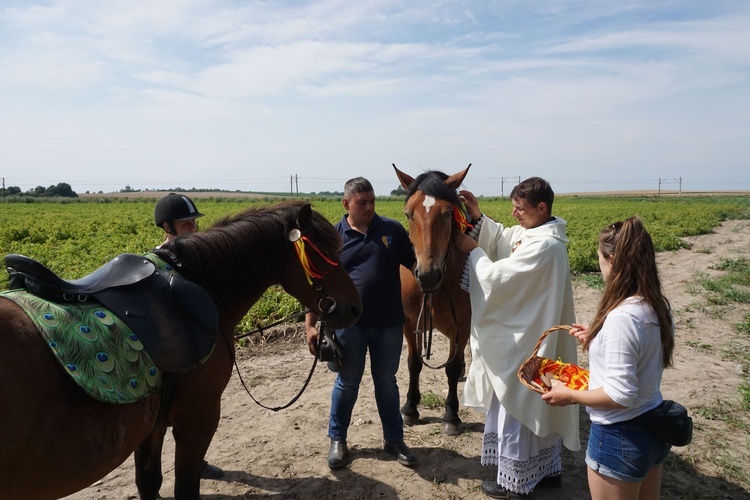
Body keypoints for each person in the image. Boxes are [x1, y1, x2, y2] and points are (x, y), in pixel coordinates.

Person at [452, 177, 579, 499]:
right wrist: (479, 218)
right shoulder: (536, 234)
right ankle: (547, 470)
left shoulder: (546, 246)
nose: (515, 215)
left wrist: (475, 251)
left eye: (520, 209)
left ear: (542, 207)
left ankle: (516, 481)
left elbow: (497, 279)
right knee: (538, 405)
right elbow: (508, 238)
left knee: (517, 402)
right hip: (534, 330)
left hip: (526, 340)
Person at [542, 216, 674, 500]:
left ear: (612, 259)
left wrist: (570, 395)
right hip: (653, 427)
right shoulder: (655, 306)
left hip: (620, 436)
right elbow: (641, 356)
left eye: (600, 258)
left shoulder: (622, 318)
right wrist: (596, 338)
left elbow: (620, 394)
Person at [305, 177, 417, 470]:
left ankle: (394, 440)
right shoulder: (332, 237)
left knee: (387, 384)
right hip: (348, 326)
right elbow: (315, 283)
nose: (369, 208)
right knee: (347, 383)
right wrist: (310, 324)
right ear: (346, 204)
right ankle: (338, 440)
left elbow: (416, 265)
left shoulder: (391, 230)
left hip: (390, 324)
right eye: (361, 203)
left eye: (372, 202)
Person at [152, 192, 224, 480]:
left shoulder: (200, 256)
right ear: (168, 228)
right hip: (170, 349)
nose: (194, 229)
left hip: (198, 346)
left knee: (198, 414)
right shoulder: (158, 261)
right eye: (186, 224)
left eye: (194, 223)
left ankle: (197, 461)